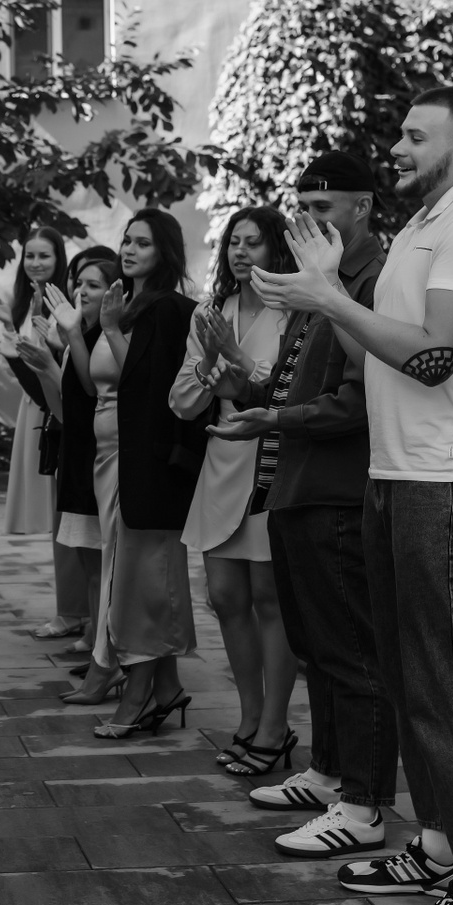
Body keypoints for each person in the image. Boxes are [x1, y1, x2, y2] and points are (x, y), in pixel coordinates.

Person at [253, 85, 453, 905]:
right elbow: (384, 345)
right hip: (397, 477)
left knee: (452, 687)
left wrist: (333, 300)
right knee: (411, 681)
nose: (398, 147)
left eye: (416, 135)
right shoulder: (419, 228)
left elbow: (437, 355)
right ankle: (440, 847)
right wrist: (329, 289)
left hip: (452, 481)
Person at [205, 153, 395, 859]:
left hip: (338, 490)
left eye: (324, 209)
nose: (310, 223)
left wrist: (275, 418)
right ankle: (329, 773)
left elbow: (360, 400)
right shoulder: (320, 282)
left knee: (352, 655)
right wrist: (246, 387)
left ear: (363, 208)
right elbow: (294, 387)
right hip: (295, 485)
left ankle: (364, 807)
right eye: (303, 209)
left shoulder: (372, 283)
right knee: (317, 647)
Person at [62, 209, 205, 738]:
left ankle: (140, 692)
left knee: (142, 575)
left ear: (164, 251)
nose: (128, 249)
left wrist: (111, 327)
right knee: (137, 572)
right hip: (115, 458)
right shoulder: (134, 304)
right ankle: (165, 687)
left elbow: (154, 386)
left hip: (145, 460)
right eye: (126, 239)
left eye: (142, 243)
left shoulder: (167, 308)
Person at [171, 206, 296, 776]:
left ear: (277, 250)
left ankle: (275, 726)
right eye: (234, 243)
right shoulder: (210, 311)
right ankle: (248, 718)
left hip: (273, 460)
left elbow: (286, 391)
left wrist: (237, 361)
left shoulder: (294, 309)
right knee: (224, 596)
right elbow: (182, 401)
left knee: (270, 599)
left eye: (254, 242)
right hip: (222, 458)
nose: (241, 252)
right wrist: (208, 360)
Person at [17, 248, 116, 664]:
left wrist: (57, 353)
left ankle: (105, 652)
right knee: (88, 562)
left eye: (93, 285)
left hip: (100, 455)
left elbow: (90, 396)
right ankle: (96, 645)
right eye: (79, 284)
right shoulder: (80, 337)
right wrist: (44, 365)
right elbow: (63, 409)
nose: (82, 291)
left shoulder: (101, 339)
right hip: (75, 454)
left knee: (103, 566)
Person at [0, 226, 68, 542]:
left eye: (44, 256)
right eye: (29, 256)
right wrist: (9, 325)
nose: (35, 263)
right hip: (31, 399)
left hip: (54, 397)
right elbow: (22, 357)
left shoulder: (66, 301)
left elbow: (47, 356)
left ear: (58, 259)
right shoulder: (23, 301)